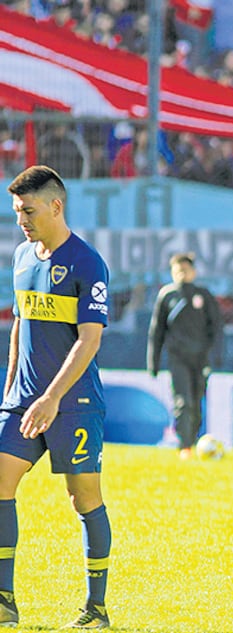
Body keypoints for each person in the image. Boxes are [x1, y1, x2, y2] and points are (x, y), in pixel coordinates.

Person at [0, 165, 112, 628]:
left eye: (27, 210)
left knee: (83, 498)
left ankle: (97, 607)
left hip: (73, 403)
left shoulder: (88, 263)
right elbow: (21, 323)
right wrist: (11, 389)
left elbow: (90, 340)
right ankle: (4, 600)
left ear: (55, 206)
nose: (21, 219)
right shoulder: (23, 257)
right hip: (24, 400)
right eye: (16, 212)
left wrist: (50, 399)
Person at [147, 252, 224, 459]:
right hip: (177, 357)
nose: (181, 274)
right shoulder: (167, 296)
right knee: (183, 401)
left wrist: (216, 355)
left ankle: (196, 440)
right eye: (177, 270)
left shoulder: (204, 295)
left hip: (200, 358)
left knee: (197, 400)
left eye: (185, 269)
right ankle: (184, 446)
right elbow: (157, 331)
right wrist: (152, 362)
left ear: (193, 272)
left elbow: (216, 327)